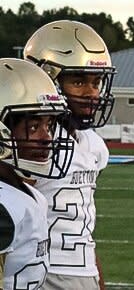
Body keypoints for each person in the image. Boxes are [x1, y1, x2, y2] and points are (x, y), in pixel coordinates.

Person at [24, 20, 116, 290]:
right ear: (45, 78)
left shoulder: (93, 144)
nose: (92, 93)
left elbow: (84, 229)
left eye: (96, 81)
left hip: (81, 271)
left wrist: (96, 277)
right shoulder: (30, 143)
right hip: (42, 273)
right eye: (78, 81)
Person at [0, 58, 74, 290]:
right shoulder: (4, 204)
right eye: (34, 127)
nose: (47, 137)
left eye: (49, 125)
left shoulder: (28, 194)